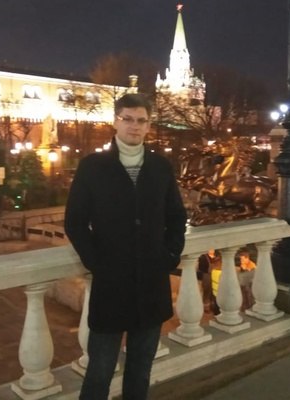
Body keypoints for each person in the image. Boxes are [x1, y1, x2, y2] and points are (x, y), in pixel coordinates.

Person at [65, 93, 187, 400]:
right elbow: (75, 222)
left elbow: (176, 215)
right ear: (115, 122)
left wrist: (170, 254)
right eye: (127, 119)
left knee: (141, 368)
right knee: (100, 370)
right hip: (112, 284)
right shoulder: (93, 166)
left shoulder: (160, 166)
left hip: (151, 282)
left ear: (149, 125)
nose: (135, 126)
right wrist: (97, 263)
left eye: (141, 120)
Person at [198, 249, 221, 314]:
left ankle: (213, 306)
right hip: (207, 275)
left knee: (214, 292)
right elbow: (201, 268)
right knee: (207, 291)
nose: (212, 250)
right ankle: (206, 307)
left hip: (215, 275)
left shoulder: (217, 256)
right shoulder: (203, 257)